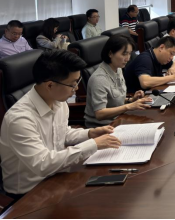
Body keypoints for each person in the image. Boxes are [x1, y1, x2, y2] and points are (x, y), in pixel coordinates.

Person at [0, 50, 121, 200]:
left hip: (57, 177)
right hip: (29, 194)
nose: (76, 88)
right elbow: (42, 164)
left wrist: (90, 133)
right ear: (50, 85)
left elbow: (61, 133)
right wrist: (93, 144)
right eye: (73, 84)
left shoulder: (58, 101)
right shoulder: (20, 119)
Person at [85, 36, 152, 128]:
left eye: (129, 54)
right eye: (124, 54)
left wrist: (131, 100)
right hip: (103, 127)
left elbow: (113, 100)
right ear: (110, 53)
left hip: (119, 119)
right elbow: (99, 113)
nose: (128, 59)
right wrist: (128, 106)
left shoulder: (118, 69)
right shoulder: (99, 79)